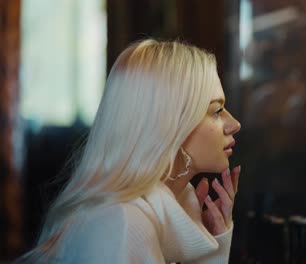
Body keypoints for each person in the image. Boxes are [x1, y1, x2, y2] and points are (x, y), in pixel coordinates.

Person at [16, 39, 241, 263]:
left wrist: (212, 246)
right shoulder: (123, 223)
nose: (234, 124)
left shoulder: (160, 213)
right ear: (169, 125)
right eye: (217, 110)